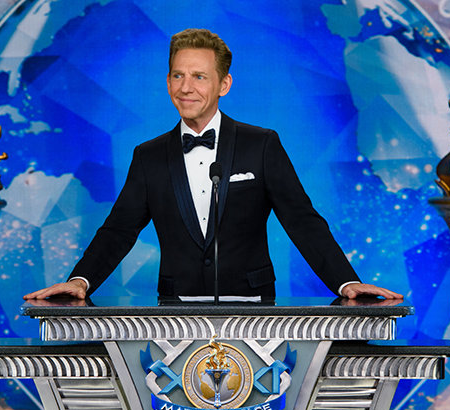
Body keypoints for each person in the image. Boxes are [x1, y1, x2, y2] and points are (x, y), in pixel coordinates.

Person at [24, 29, 401, 301]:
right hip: (175, 312)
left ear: (224, 84)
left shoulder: (262, 144)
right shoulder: (148, 156)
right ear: (168, 81)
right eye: (178, 75)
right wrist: (81, 280)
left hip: (252, 309)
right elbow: (118, 230)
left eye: (199, 77)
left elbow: (302, 221)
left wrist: (346, 283)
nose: (185, 87)